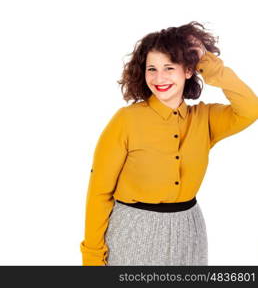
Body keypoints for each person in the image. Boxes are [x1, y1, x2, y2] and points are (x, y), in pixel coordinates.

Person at [80, 21, 258, 266]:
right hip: (133, 231)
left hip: (189, 231)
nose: (159, 77)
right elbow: (99, 192)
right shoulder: (126, 120)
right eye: (151, 68)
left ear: (187, 71)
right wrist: (91, 258)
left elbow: (250, 109)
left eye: (169, 67)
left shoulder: (205, 119)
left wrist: (206, 62)